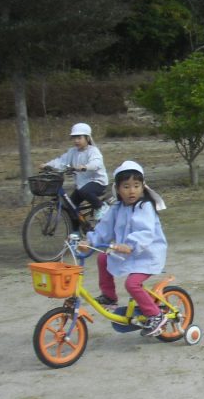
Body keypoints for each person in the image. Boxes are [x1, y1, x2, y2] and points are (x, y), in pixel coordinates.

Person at [81, 161, 169, 335]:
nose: (132, 191)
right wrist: (90, 241)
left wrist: (130, 245)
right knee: (102, 258)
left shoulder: (145, 207)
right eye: (126, 186)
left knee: (132, 284)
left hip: (147, 254)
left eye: (136, 186)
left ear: (143, 187)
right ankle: (109, 296)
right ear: (118, 189)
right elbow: (104, 229)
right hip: (126, 252)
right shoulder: (117, 208)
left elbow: (145, 231)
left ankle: (156, 315)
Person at [42, 122, 109, 218]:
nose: (76, 141)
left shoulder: (93, 151)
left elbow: (96, 163)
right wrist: (47, 165)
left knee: (84, 191)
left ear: (87, 138)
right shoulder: (72, 152)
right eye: (74, 138)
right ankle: (76, 231)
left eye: (79, 138)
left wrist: (85, 167)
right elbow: (61, 161)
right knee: (71, 207)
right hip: (81, 185)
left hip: (97, 182)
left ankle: (101, 207)